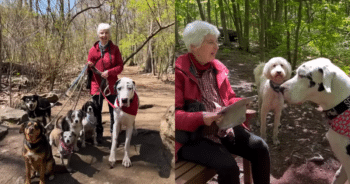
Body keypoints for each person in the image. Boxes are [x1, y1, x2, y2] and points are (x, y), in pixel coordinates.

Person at [175, 20, 271, 183]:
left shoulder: (217, 68)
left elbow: (229, 97)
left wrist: (240, 102)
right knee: (229, 168)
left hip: (223, 128)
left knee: (260, 147)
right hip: (194, 138)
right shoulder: (178, 72)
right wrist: (201, 117)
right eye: (210, 42)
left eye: (216, 41)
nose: (217, 46)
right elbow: (173, 115)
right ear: (193, 46)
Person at [87, 23, 124, 144]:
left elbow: (120, 66)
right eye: (102, 33)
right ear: (98, 34)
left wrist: (109, 72)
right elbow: (89, 70)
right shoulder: (92, 50)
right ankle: (99, 134)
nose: (104, 35)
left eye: (106, 33)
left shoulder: (115, 49)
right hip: (96, 86)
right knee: (97, 111)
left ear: (109, 34)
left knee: (114, 111)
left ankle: (114, 133)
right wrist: (89, 66)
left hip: (111, 85)